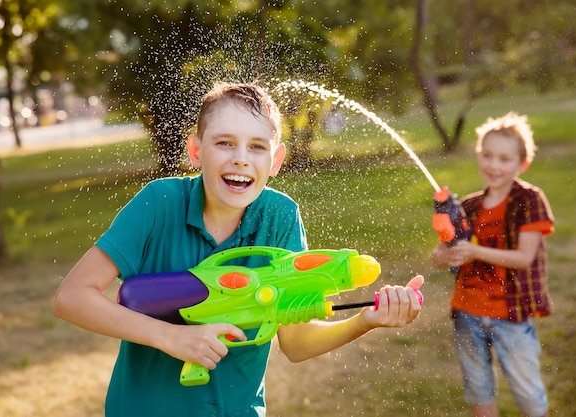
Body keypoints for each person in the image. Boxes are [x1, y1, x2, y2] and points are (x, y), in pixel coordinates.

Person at [53, 81, 423, 417]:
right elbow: (71, 297)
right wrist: (172, 338)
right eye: (224, 143)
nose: (241, 158)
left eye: (257, 147)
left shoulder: (279, 217)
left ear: (275, 161)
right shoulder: (158, 203)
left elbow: (294, 341)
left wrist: (365, 320)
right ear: (196, 151)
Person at [431, 111, 554, 417]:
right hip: (467, 312)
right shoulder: (468, 206)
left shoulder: (529, 200)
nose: (494, 165)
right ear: (479, 156)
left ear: (521, 163)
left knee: (527, 392)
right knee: (478, 388)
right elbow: (438, 255)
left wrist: (475, 252)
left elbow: (524, 258)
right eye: (487, 156)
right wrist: (445, 253)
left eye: (504, 158)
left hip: (511, 314)